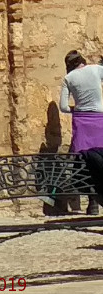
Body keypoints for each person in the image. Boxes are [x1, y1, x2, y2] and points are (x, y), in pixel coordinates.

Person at [59, 49, 103, 215]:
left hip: (81, 121)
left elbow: (63, 107)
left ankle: (92, 203)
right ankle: (97, 200)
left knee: (83, 161)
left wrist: (76, 110)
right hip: (100, 120)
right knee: (100, 160)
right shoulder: (95, 70)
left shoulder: (68, 79)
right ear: (82, 61)